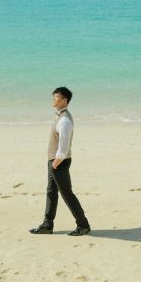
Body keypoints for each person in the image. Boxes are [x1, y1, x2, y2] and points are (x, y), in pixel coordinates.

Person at [30, 86, 91, 236]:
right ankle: (47, 225)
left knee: (67, 194)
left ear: (65, 100)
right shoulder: (59, 116)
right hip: (55, 161)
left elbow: (63, 148)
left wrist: (55, 164)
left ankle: (83, 225)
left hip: (59, 162)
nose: (54, 99)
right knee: (51, 192)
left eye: (56, 97)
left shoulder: (64, 121)